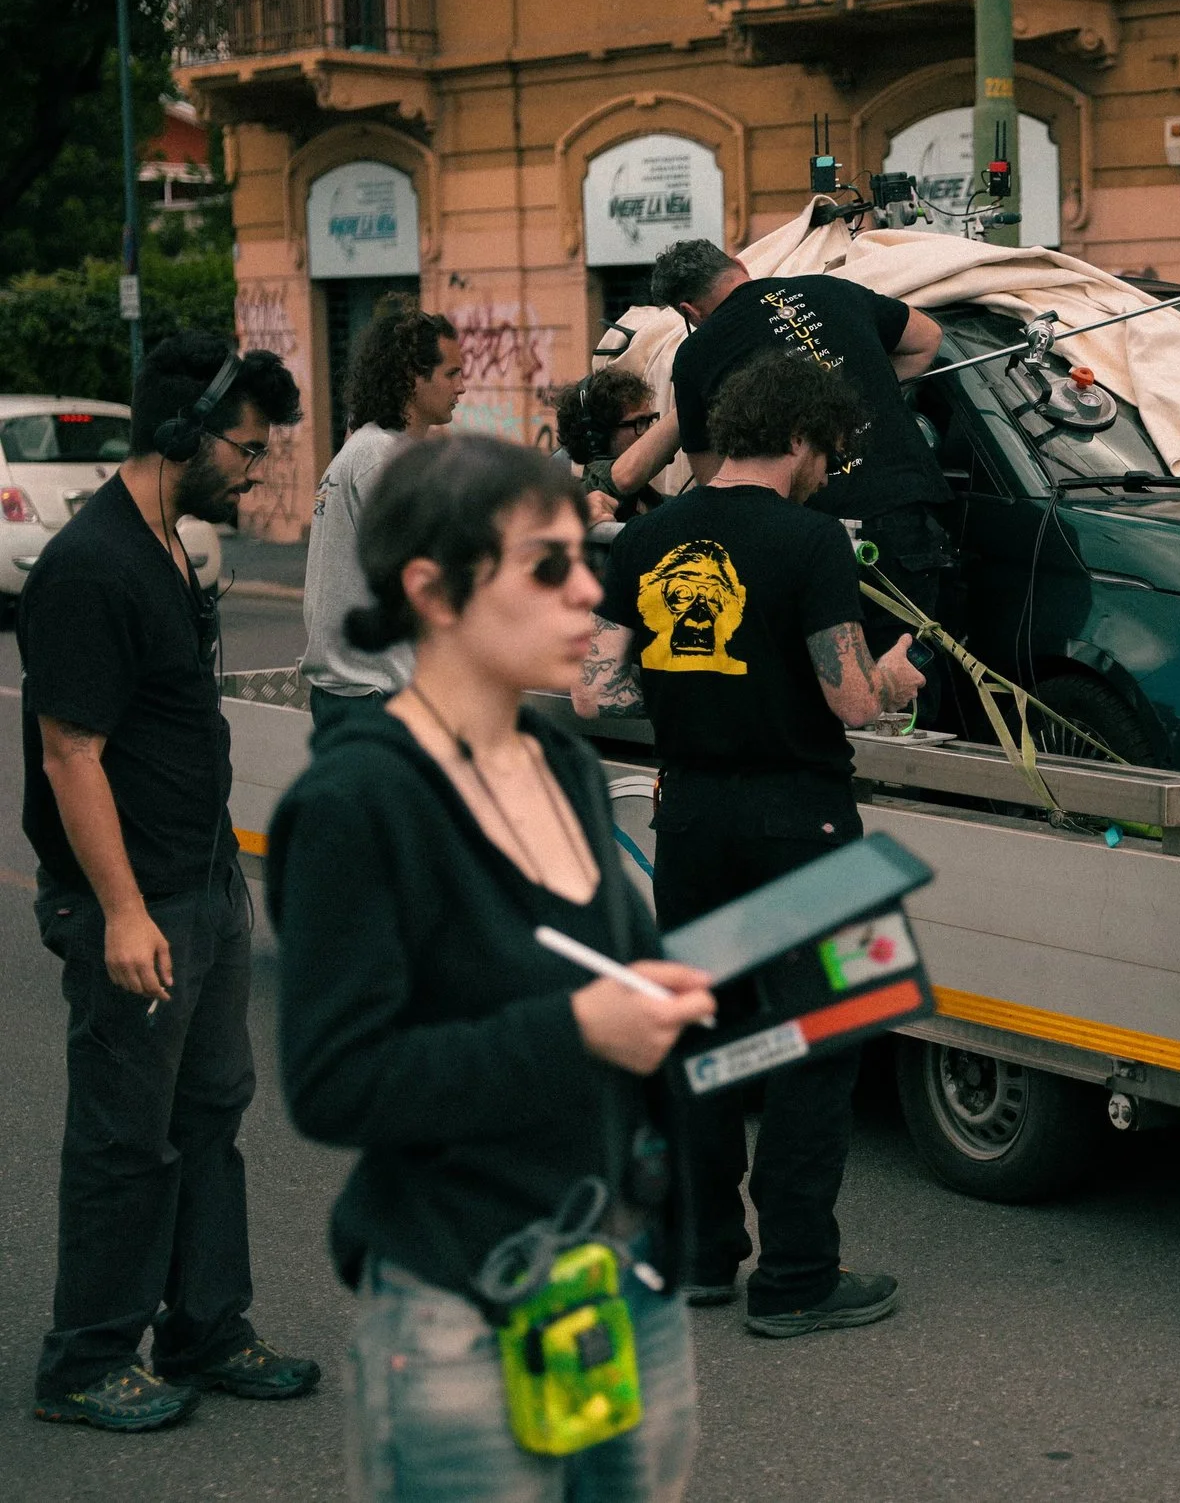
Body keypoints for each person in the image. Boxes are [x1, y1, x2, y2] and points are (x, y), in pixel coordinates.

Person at [273, 435, 717, 1500]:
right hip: (460, 1304)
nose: (589, 589)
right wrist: (579, 1030)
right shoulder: (355, 803)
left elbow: (613, 970)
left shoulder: (560, 757)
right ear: (432, 587)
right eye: (547, 563)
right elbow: (336, 1080)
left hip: (619, 1282)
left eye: (587, 554)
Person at [574, 351, 922, 1339]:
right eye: (831, 450)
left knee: (706, 1038)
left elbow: (593, 691)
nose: (828, 469)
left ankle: (702, 1253)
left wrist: (694, 691)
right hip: (801, 827)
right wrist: (894, 677)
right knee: (824, 1038)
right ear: (805, 438)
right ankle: (798, 1272)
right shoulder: (811, 540)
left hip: (688, 822)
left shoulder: (645, 539)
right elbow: (849, 698)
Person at [24, 332, 318, 1432]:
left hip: (200, 884)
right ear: (180, 435)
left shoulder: (166, 547)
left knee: (208, 1115)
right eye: (245, 447)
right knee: (124, 1133)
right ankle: (88, 1357)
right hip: (136, 898)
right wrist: (123, 910)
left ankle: (205, 1327)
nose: (254, 470)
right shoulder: (91, 567)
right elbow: (70, 752)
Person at [645, 237, 952, 643]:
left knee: (823, 679)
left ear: (689, 311)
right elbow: (928, 337)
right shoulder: (833, 288)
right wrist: (858, 400)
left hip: (801, 536)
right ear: (738, 264)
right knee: (911, 666)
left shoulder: (696, 353)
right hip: (904, 511)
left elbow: (713, 477)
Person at [302, 300, 467, 731]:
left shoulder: (376, 449)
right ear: (414, 378)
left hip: (360, 692)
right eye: (451, 373)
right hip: (373, 696)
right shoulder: (381, 457)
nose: (462, 387)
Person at [553, 367, 665, 524]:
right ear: (599, 437)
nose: (651, 433)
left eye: (650, 420)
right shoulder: (566, 502)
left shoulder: (649, 500)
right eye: (640, 422)